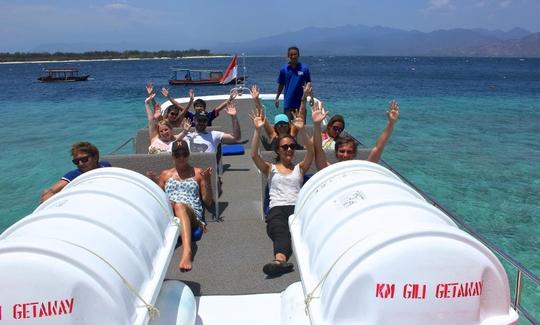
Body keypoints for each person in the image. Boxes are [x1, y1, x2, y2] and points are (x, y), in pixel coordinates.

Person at [250, 108, 314, 276]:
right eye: (284, 147)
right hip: (277, 208)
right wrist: (257, 130)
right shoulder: (270, 169)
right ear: (277, 150)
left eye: (292, 146)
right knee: (280, 231)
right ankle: (279, 261)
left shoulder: (299, 168)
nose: (289, 149)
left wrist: (302, 130)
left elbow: (311, 152)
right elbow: (254, 155)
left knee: (307, 233)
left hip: (298, 208)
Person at [152, 140, 213, 272]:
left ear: (188, 154)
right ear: (172, 155)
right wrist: (153, 184)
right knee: (173, 205)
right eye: (177, 154)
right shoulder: (165, 175)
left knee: (179, 206)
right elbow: (156, 200)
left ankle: (187, 253)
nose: (181, 157)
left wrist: (207, 180)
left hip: (191, 214)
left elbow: (208, 201)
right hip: (169, 211)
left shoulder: (197, 173)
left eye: (184, 154)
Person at [313, 100, 400, 170]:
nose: (345, 155)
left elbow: (378, 147)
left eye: (349, 152)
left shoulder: (362, 170)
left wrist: (391, 123)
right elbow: (318, 149)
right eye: (342, 151)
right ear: (336, 153)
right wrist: (317, 125)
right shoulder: (329, 169)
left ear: (354, 154)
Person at [40, 142, 111, 202]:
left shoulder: (105, 165)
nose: (80, 163)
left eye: (84, 159)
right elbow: (51, 190)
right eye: (76, 161)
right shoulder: (74, 175)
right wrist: (48, 194)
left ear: (95, 157)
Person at [165, 88, 237, 127]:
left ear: (204, 108)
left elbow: (219, 108)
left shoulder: (208, 116)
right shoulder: (191, 116)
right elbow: (178, 106)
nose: (199, 108)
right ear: (194, 108)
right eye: (197, 106)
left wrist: (230, 99)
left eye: (201, 106)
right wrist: (169, 97)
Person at [275, 46, 312, 120]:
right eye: (291, 54)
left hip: (301, 103)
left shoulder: (305, 68)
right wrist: (277, 97)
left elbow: (309, 84)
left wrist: (312, 97)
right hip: (288, 103)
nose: (293, 56)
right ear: (288, 56)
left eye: (295, 54)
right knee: (288, 128)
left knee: (301, 127)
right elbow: (281, 85)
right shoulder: (284, 69)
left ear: (298, 55)